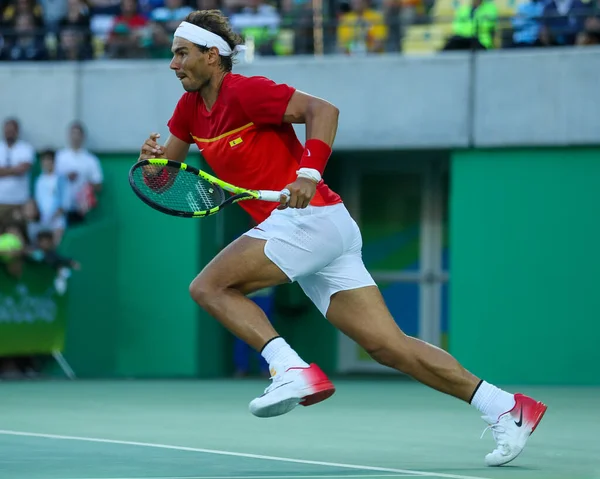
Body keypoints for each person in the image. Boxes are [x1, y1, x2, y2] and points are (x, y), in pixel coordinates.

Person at [137, 10, 547, 467]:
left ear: (212, 56)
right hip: (314, 231)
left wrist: (309, 173)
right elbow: (162, 182)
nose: (173, 64)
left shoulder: (246, 92)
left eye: (181, 53)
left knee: (209, 287)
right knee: (389, 347)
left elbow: (323, 111)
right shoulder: (188, 110)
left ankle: (289, 369)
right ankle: (507, 407)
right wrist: (152, 162)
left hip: (309, 218)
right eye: (173, 55)